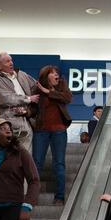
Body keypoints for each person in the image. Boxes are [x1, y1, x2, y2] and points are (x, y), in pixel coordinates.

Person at [31, 65, 72, 205]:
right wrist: (25, 111)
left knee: (59, 163)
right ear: (46, 75)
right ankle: (32, 196)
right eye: (53, 73)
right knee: (36, 163)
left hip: (59, 130)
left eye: (57, 73)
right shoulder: (37, 88)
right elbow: (33, 109)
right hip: (41, 130)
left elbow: (67, 98)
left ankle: (59, 197)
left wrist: (48, 91)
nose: (57, 75)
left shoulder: (61, 86)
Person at [0, 52, 39, 153]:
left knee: (26, 157)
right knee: (9, 158)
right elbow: (4, 98)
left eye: (11, 60)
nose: (11, 63)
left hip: (26, 122)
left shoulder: (22, 74)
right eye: (7, 61)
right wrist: (28, 99)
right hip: (9, 124)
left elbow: (36, 87)